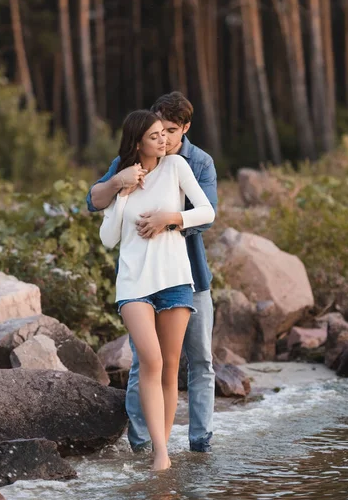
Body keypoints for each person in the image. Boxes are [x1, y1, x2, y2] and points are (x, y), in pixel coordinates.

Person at [87, 92, 218, 453]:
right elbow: (94, 204)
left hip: (185, 273)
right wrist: (120, 186)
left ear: (184, 129)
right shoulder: (125, 166)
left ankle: (198, 442)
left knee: (196, 359)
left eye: (169, 131)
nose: (164, 139)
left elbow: (206, 215)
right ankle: (145, 444)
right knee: (147, 361)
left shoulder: (194, 163)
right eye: (157, 132)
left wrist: (169, 220)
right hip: (137, 280)